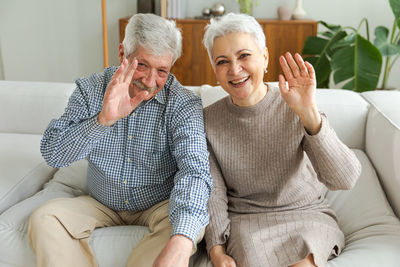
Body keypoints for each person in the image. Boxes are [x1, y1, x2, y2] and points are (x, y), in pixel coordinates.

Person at [28, 13, 212, 267]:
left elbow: (195, 171)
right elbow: (53, 153)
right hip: (100, 202)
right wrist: (103, 120)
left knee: (187, 228)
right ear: (122, 54)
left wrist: (182, 240)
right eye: (143, 65)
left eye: (162, 71)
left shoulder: (182, 103)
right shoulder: (91, 89)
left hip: (159, 205)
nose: (150, 82)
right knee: (45, 218)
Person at [202, 13, 361, 267]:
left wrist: (308, 113)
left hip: (306, 214)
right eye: (223, 62)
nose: (234, 69)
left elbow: (345, 178)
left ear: (264, 57)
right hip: (247, 221)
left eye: (244, 56)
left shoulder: (294, 104)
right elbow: (213, 194)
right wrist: (216, 251)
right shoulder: (207, 121)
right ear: (215, 70)